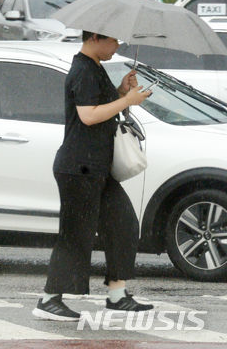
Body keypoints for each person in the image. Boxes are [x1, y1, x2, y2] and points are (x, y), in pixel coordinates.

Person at [32, 31, 154, 321]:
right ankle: (49, 299)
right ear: (96, 37)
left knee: (123, 223)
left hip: (96, 166)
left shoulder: (94, 68)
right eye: (114, 41)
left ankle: (117, 295)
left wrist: (122, 91)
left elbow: (100, 107)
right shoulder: (83, 69)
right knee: (75, 234)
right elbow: (88, 115)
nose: (117, 47)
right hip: (78, 167)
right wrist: (127, 101)